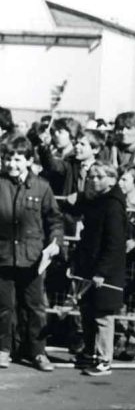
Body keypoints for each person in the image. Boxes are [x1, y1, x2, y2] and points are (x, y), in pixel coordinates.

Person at [0, 137, 63, 370]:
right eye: (7, 158)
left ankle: (38, 352)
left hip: (33, 259)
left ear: (28, 160)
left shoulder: (42, 187)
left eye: (17, 159)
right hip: (3, 257)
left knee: (35, 307)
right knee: (4, 307)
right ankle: (3, 350)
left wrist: (55, 243)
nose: (11, 164)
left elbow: (54, 220)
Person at [73, 162, 127, 376]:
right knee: (88, 312)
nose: (93, 180)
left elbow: (115, 243)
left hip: (105, 271)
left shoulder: (112, 206)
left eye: (99, 176)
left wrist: (102, 271)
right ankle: (90, 352)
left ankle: (105, 359)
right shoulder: (97, 201)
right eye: (91, 176)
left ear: (112, 180)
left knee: (104, 316)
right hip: (91, 266)